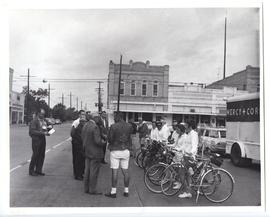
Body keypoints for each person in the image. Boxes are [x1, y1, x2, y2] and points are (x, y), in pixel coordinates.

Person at [105, 112, 133, 198]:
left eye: (115, 117)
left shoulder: (113, 126)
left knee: (115, 171)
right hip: (125, 150)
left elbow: (110, 139)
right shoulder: (129, 126)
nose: (114, 119)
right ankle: (126, 191)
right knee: (125, 171)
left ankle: (113, 192)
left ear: (118, 117)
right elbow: (129, 138)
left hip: (115, 150)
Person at [81, 113, 104, 195]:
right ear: (96, 118)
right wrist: (104, 142)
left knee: (87, 171)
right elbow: (97, 141)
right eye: (99, 118)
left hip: (87, 151)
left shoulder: (86, 125)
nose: (99, 119)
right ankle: (92, 189)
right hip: (95, 152)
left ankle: (86, 188)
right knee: (94, 172)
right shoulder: (95, 127)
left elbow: (82, 137)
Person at [177, 120, 199, 199]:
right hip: (185, 156)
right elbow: (185, 145)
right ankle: (187, 190)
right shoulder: (188, 134)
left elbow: (194, 146)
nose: (185, 127)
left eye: (186, 126)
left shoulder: (193, 134)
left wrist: (190, 153)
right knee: (187, 175)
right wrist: (179, 149)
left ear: (190, 126)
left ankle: (187, 192)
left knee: (181, 173)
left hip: (190, 157)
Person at [29, 108, 50, 176]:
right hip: (36, 140)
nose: (43, 115)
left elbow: (46, 127)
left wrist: (49, 129)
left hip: (42, 139)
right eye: (42, 114)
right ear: (38, 114)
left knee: (41, 155)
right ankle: (31, 171)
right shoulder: (34, 121)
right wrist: (43, 133)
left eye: (44, 114)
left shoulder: (44, 121)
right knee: (35, 155)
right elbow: (32, 131)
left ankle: (38, 170)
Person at [71, 110, 86, 180]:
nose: (83, 115)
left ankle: (80, 173)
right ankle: (77, 174)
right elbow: (72, 133)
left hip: (80, 144)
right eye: (82, 114)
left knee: (81, 160)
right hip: (77, 144)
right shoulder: (76, 122)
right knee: (77, 160)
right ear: (79, 114)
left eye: (84, 114)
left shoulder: (83, 123)